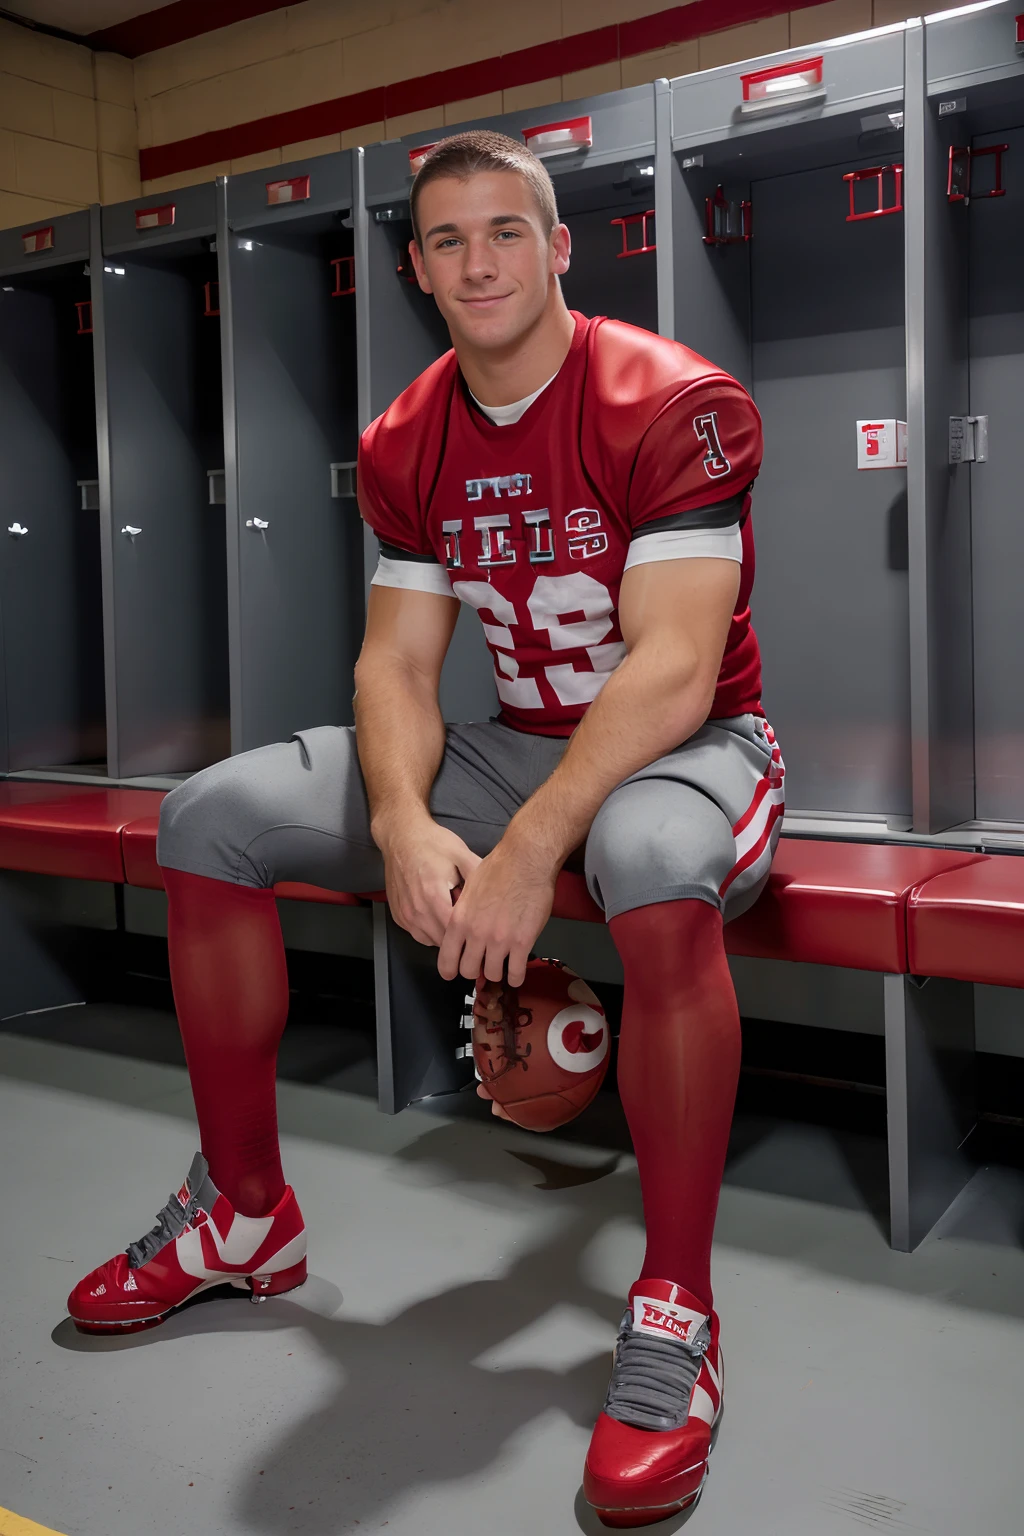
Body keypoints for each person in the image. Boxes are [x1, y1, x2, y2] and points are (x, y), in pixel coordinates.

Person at [67, 130, 784, 1527]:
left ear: (561, 246)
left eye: (506, 232)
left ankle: (676, 1313)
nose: (479, 263)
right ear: (417, 268)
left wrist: (525, 852)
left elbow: (674, 671)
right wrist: (402, 819)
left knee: (637, 854)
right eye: (449, 241)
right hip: (510, 749)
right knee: (214, 814)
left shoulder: (673, 399)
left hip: (691, 748)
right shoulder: (406, 433)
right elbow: (397, 668)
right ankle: (246, 1215)